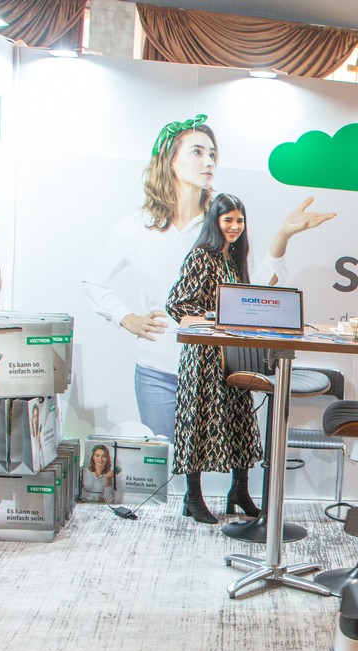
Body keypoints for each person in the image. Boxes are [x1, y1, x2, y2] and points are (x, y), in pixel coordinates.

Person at [83, 113, 329, 441]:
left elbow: (250, 291)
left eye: (212, 154)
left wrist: (283, 236)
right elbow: (94, 281)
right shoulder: (137, 226)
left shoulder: (222, 224)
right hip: (156, 372)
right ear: (171, 160)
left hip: (212, 369)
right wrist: (125, 317)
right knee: (164, 456)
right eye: (197, 152)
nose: (209, 161)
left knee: (206, 463)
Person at [166, 193, 333, 524]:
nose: (234, 226)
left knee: (239, 420)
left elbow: (250, 295)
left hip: (232, 354)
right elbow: (177, 304)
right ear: (214, 221)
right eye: (228, 220)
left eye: (239, 220)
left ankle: (239, 491)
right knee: (198, 424)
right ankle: (193, 496)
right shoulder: (201, 256)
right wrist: (214, 317)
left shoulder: (234, 259)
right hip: (203, 357)